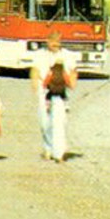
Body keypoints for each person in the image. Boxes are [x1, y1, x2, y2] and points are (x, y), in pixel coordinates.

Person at [30, 33, 79, 161]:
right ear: (47, 41)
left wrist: (73, 82)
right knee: (45, 122)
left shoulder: (67, 55)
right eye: (53, 42)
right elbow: (34, 69)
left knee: (59, 122)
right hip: (44, 91)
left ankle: (59, 153)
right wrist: (34, 83)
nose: (55, 44)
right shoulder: (40, 54)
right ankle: (48, 147)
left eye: (58, 42)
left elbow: (73, 71)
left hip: (60, 91)